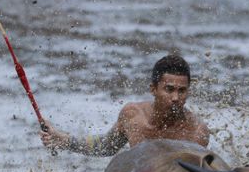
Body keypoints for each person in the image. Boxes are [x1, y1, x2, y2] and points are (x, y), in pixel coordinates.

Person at [40, 54, 210, 155]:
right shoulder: (133, 115)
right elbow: (106, 147)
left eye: (182, 91)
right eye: (169, 89)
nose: (175, 97)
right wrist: (64, 140)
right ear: (153, 89)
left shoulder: (196, 132)